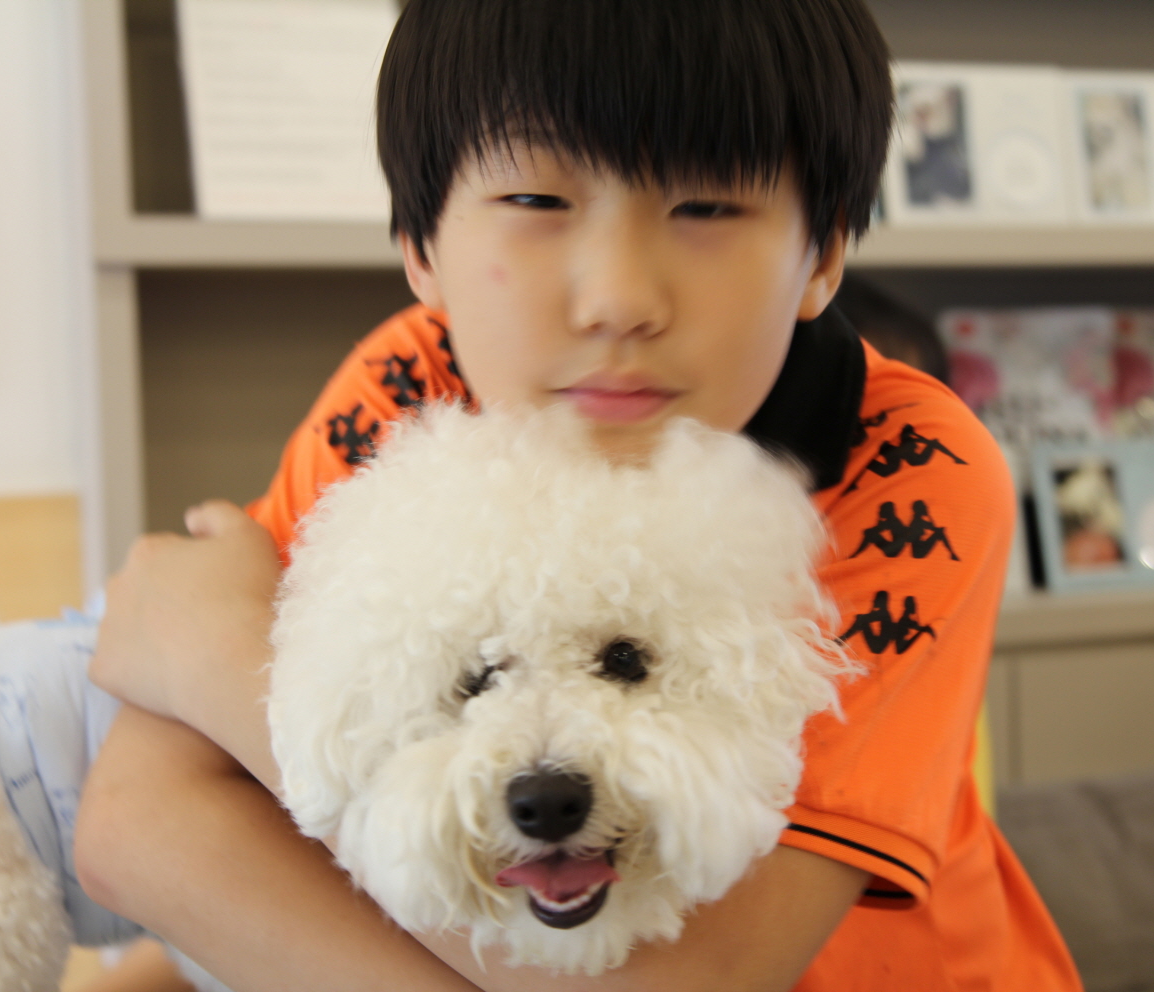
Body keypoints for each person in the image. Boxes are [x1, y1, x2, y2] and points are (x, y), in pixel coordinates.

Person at [74, 0, 1083, 989]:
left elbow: (695, 979)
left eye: (706, 208)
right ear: (422, 247)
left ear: (821, 255)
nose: (619, 300)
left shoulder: (911, 468)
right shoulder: (408, 390)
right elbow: (134, 824)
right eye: (537, 203)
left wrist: (215, 655)